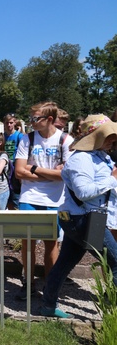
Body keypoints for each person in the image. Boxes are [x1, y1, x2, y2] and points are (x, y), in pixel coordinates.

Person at [40, 114, 117, 318]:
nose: (113, 139)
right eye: (108, 135)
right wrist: (111, 180)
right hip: (85, 219)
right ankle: (114, 311)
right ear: (96, 136)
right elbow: (84, 192)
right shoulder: (81, 159)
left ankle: (47, 306)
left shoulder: (101, 156)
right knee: (116, 261)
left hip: (83, 218)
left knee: (65, 263)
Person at [14, 101, 72, 300]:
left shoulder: (65, 139)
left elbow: (66, 175)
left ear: (49, 120)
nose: (31, 122)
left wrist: (34, 169)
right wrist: (50, 174)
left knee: (51, 243)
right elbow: (19, 171)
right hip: (29, 197)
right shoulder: (27, 139)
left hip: (55, 200)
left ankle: (50, 287)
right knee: (27, 241)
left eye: (35, 119)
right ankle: (28, 284)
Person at [3, 113, 24, 209]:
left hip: (15, 167)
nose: (9, 125)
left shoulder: (19, 136)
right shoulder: (3, 136)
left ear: (15, 123)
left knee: (16, 193)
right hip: (4, 167)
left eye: (11, 122)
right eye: (7, 123)